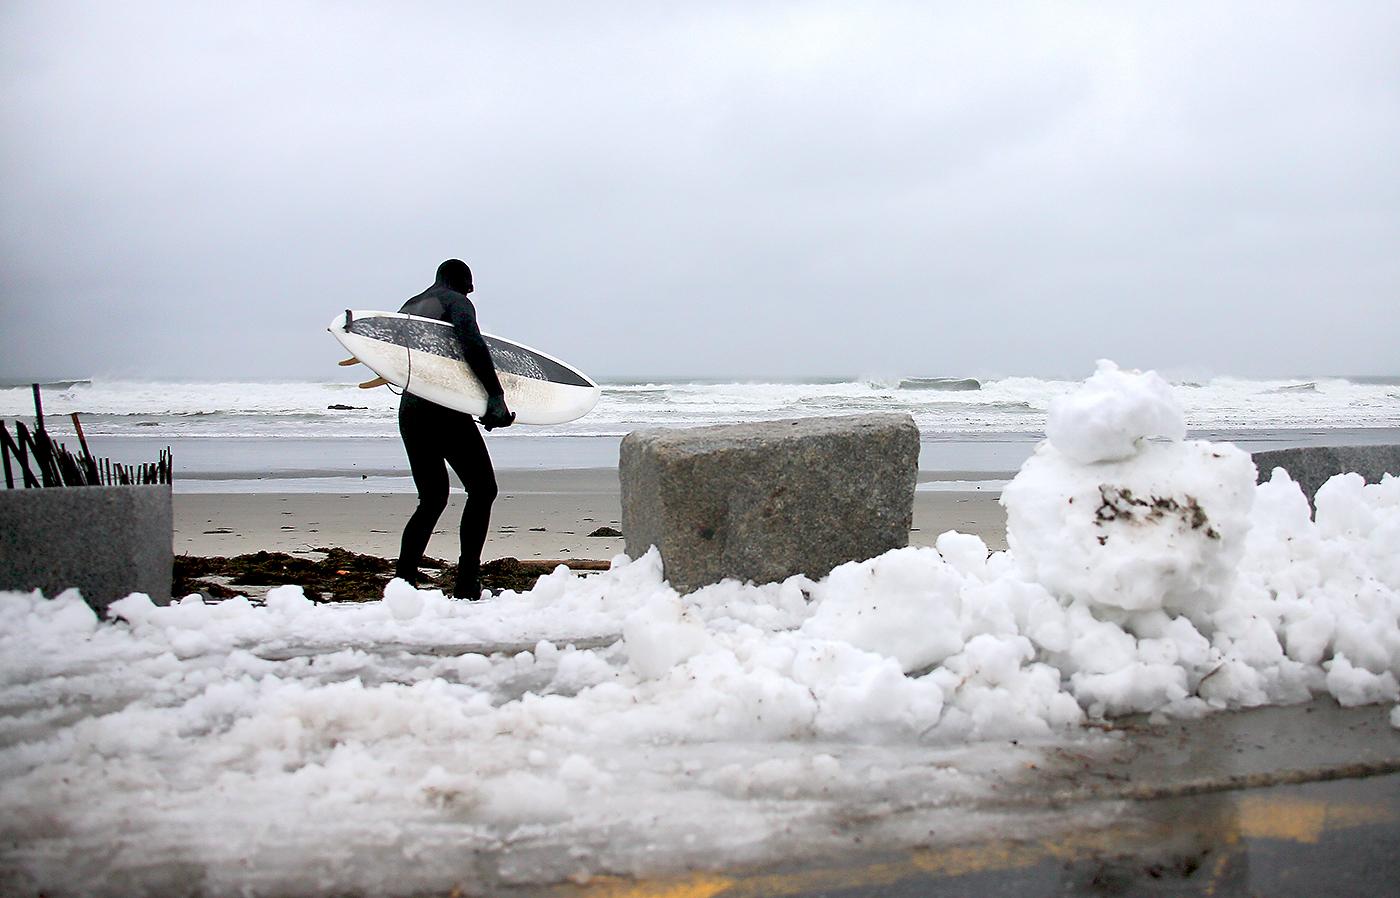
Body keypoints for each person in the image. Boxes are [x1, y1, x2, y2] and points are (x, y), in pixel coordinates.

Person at [394, 259, 515, 599]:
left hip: (411, 408)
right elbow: (471, 342)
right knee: (483, 490)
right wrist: (495, 396)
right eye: (470, 285)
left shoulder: (409, 306)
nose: (471, 291)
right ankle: (466, 582)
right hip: (442, 407)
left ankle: (403, 583)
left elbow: (394, 357)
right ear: (461, 280)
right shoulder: (455, 301)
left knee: (432, 498)